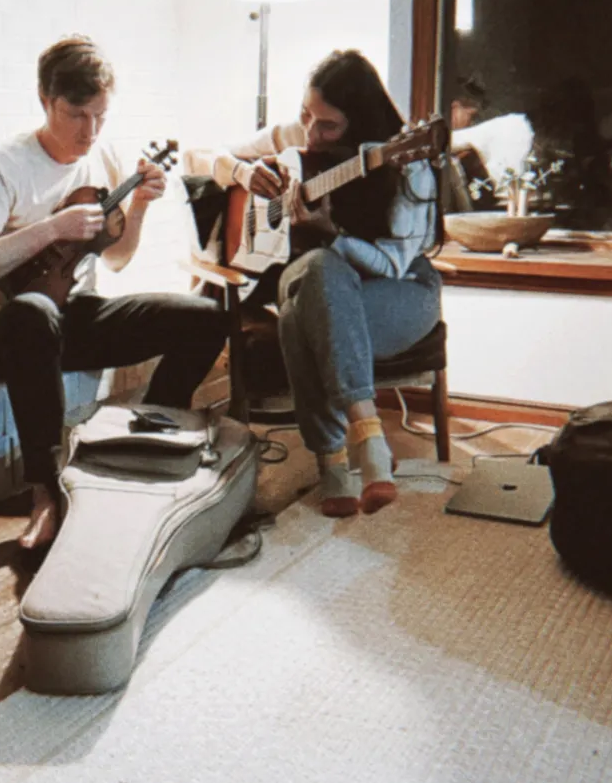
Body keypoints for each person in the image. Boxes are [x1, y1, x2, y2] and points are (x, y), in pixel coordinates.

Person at [0, 35, 227, 552]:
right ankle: (46, 493)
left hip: (77, 314)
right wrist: (52, 228)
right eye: (76, 115)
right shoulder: (0, 166)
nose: (89, 132)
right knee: (33, 314)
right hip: (12, 327)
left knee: (207, 316)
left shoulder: (104, 157)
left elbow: (116, 258)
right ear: (45, 100)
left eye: (100, 116)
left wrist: (138, 207)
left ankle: (148, 442)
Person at [190, 49, 443, 518]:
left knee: (306, 303)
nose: (310, 133)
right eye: (307, 115)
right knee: (319, 277)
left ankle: (334, 461)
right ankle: (368, 438)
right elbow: (199, 156)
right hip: (316, 285)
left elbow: (391, 265)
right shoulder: (297, 135)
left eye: (328, 126)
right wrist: (244, 171)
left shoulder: (408, 165)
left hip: (399, 293)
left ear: (359, 122)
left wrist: (332, 234)